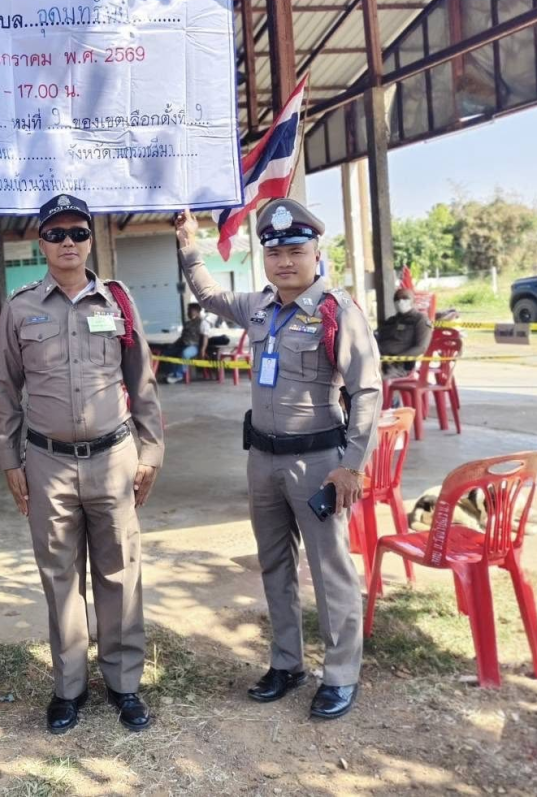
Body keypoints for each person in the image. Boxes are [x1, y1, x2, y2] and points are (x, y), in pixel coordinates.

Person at [175, 199, 381, 720]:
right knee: (274, 564)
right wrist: (188, 248)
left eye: (295, 250)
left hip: (318, 463)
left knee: (329, 568)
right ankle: (286, 663)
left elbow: (368, 392)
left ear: (316, 252)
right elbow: (209, 294)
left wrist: (352, 464)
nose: (285, 261)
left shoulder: (337, 311)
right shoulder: (260, 307)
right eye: (275, 252)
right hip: (262, 460)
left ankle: (340, 674)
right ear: (263, 258)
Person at [0, 194, 164, 735]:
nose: (68, 242)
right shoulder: (20, 307)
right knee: (61, 578)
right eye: (56, 234)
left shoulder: (117, 301)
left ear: (90, 238)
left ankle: (123, 683)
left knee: (119, 572)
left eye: (78, 232)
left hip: (114, 457)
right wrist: (10, 460)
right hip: (47, 462)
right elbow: (5, 390)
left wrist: (151, 447)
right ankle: (69, 688)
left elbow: (141, 381)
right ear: (40, 242)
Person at [164, 302, 230, 383]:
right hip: (182, 344)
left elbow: (205, 337)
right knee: (167, 352)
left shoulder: (203, 323)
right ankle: (171, 372)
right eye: (188, 310)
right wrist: (173, 345)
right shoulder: (187, 323)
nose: (188, 312)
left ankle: (178, 375)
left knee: (185, 353)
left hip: (195, 346)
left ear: (196, 311)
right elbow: (182, 337)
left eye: (190, 310)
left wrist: (202, 350)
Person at [374, 288, 432, 380]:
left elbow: (421, 348)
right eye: (397, 299)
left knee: (371, 379)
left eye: (405, 298)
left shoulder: (420, 319)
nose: (400, 301)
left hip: (399, 366)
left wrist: (396, 359)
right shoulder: (391, 321)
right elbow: (376, 338)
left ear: (413, 300)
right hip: (378, 360)